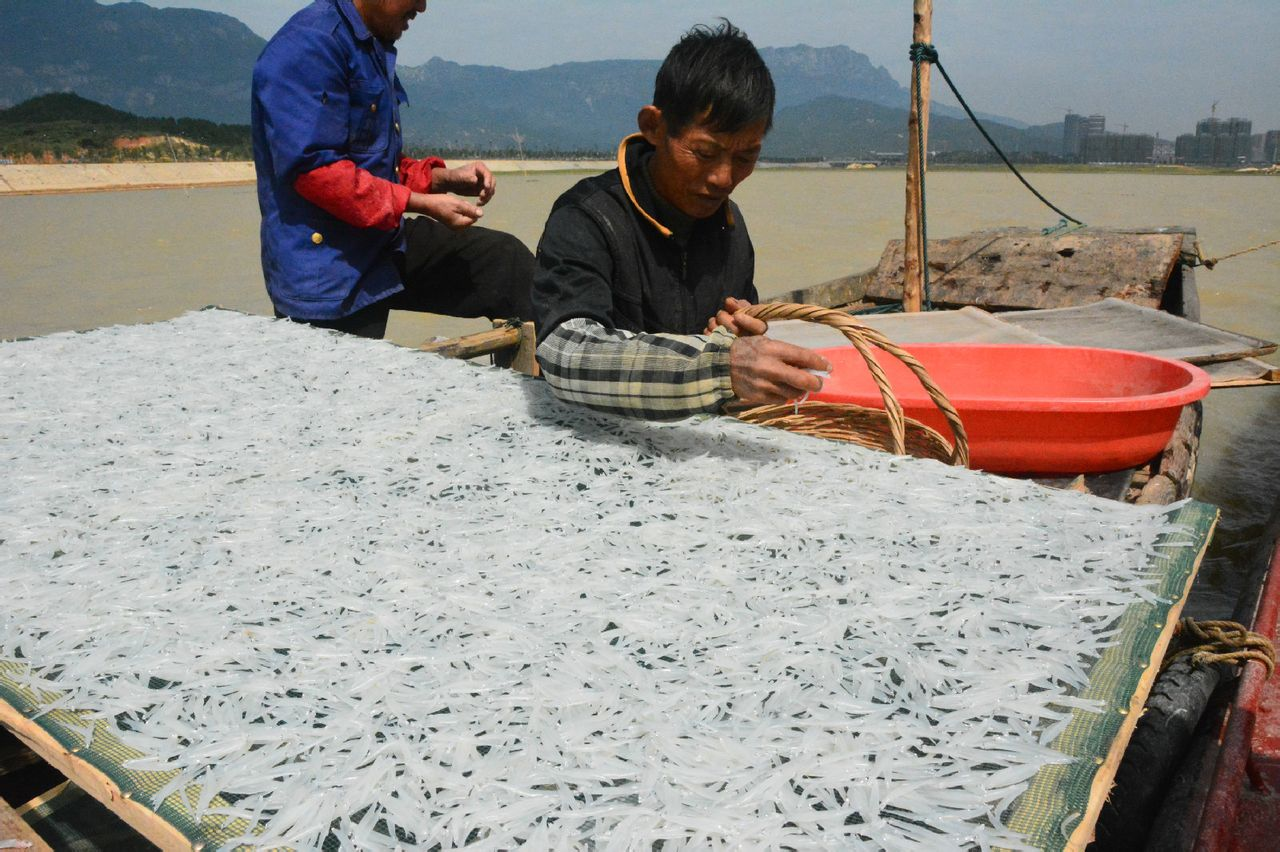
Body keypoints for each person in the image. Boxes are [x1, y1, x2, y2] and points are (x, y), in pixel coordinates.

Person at [531, 20, 829, 420]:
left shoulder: (730, 228)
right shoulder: (587, 218)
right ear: (654, 127)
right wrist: (718, 367)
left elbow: (728, 350)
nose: (724, 179)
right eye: (705, 153)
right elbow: (567, 354)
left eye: (745, 158)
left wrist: (729, 337)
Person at [252, 0, 533, 340]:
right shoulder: (308, 47)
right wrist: (421, 203)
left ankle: (547, 382)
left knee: (506, 264)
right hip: (328, 271)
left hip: (379, 240)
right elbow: (317, 171)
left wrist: (442, 179)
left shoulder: (370, 42)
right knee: (349, 384)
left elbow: (376, 163)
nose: (422, 7)